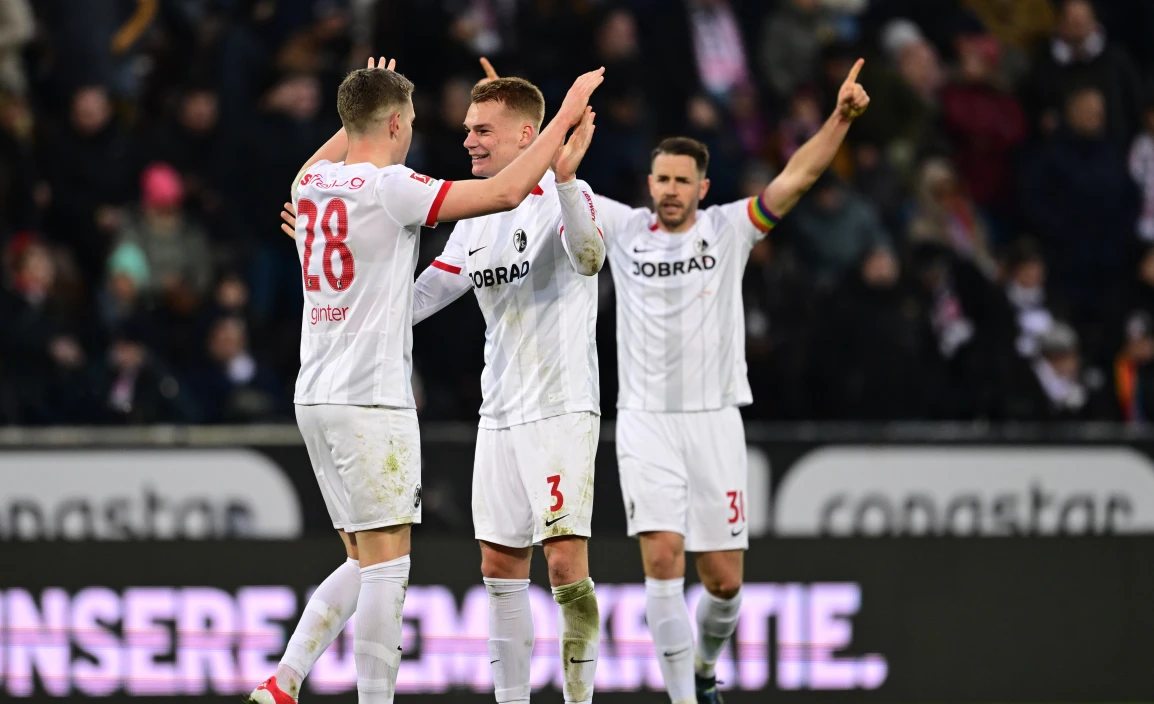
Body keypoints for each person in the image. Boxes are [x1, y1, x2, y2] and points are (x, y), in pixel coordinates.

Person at [250, 57, 604, 704]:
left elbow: (318, 171)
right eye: (410, 121)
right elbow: (499, 194)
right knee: (388, 566)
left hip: (316, 393)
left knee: (363, 558)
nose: (425, 133)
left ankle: (284, 681)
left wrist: (361, 100)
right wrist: (566, 113)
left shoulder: (314, 186)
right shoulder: (392, 187)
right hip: (370, 398)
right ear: (392, 123)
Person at [591, 60, 869, 703]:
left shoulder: (729, 229)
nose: (669, 189)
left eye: (682, 181)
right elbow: (555, 185)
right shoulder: (624, 229)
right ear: (649, 182)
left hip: (715, 419)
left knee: (722, 584)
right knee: (661, 561)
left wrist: (841, 117)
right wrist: (519, 126)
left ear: (702, 186)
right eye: (660, 178)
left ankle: (705, 667)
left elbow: (798, 176)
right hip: (645, 419)